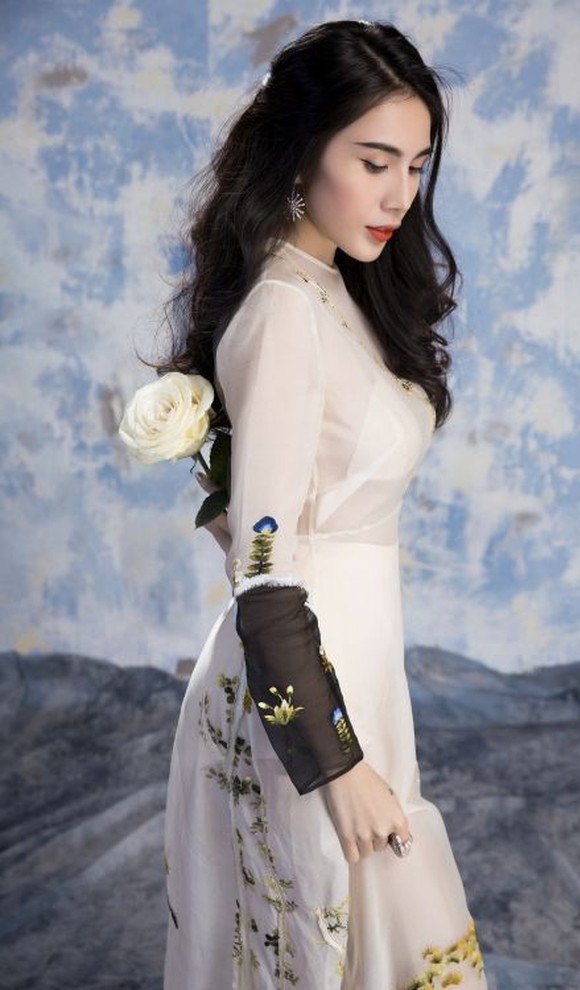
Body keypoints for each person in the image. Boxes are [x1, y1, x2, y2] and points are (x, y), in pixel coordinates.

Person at [160, 19, 489, 990]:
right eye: (374, 162)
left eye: (416, 166)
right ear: (304, 150)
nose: (399, 195)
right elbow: (266, 580)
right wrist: (334, 763)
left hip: (359, 669)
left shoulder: (338, 286)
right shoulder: (284, 314)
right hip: (303, 698)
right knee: (313, 943)